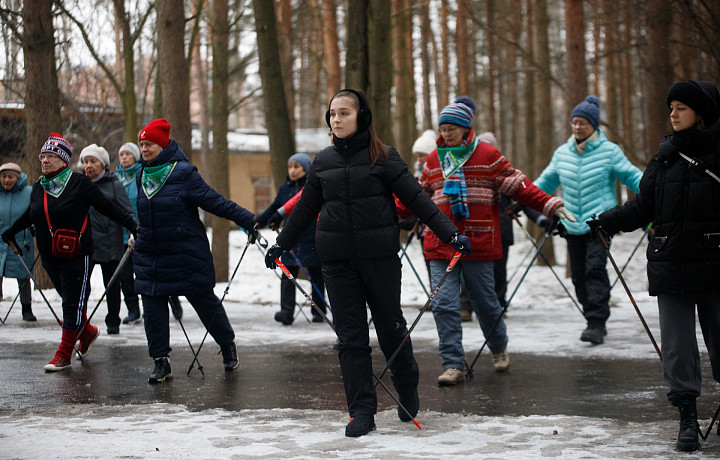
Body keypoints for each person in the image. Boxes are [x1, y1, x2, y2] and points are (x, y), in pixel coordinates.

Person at [264, 89, 469, 437]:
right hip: (337, 262)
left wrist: (450, 235)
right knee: (350, 338)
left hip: (380, 259)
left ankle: (407, 384)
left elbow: (418, 201)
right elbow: (304, 211)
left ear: (362, 117)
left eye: (344, 113)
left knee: (390, 328)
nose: (337, 120)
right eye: (332, 114)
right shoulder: (323, 161)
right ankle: (361, 411)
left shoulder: (384, 157)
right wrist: (280, 244)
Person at [403, 97, 574, 387]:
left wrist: (549, 205)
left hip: (478, 242)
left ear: (466, 127)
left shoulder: (487, 155)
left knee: (485, 303)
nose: (446, 133)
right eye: (442, 128)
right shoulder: (433, 160)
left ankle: (498, 346)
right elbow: (416, 197)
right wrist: (380, 212)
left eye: (452, 128)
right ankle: (453, 364)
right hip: (441, 243)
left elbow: (519, 185)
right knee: (444, 305)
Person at [591, 80, 720, 452]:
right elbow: (643, 206)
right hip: (670, 265)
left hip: (715, 264)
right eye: (671, 107)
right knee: (678, 348)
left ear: (702, 113)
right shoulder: (664, 157)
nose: (673, 113)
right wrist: (607, 220)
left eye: (681, 107)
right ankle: (687, 418)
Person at [133, 118, 259, 383]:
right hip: (151, 253)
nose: (144, 149)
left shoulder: (183, 173)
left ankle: (227, 344)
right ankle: (161, 361)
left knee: (204, 301)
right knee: (152, 307)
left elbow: (215, 202)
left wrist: (247, 219)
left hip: (185, 252)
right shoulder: (141, 174)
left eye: (150, 144)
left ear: (162, 145)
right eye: (141, 144)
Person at [2, 133, 138, 372]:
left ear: (64, 160)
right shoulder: (39, 188)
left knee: (72, 303)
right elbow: (31, 215)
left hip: (77, 254)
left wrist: (134, 225)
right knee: (70, 301)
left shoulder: (80, 183)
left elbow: (108, 207)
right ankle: (87, 332)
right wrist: (10, 232)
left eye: (51, 156)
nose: (45, 160)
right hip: (49, 256)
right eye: (43, 156)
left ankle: (64, 353)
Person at [534, 95, 643, 345]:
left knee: (595, 270)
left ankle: (597, 322)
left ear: (594, 125)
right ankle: (591, 315)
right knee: (579, 276)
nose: (577, 127)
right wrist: (521, 195)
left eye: (582, 123)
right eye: (574, 122)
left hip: (599, 223)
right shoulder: (562, 153)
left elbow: (630, 175)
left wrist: (655, 189)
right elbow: (544, 184)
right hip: (571, 223)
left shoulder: (609, 151)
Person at [116, 142, 184, 324]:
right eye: (121, 155)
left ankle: (171, 300)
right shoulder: (116, 179)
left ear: (135, 157)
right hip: (121, 234)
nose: (124, 158)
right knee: (125, 275)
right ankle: (133, 310)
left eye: (128, 155)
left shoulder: (143, 175)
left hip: (143, 230)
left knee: (151, 272)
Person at [256, 153, 325, 325]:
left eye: (297, 167)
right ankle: (286, 311)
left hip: (310, 237)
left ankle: (319, 310)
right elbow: (274, 208)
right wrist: (257, 222)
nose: (292, 171)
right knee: (287, 275)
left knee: (316, 275)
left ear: (306, 169)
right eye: (290, 167)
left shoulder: (313, 187)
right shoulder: (284, 189)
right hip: (290, 238)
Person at [80, 144, 137, 335]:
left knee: (112, 286)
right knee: (81, 285)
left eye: (93, 161)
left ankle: (113, 321)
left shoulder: (114, 184)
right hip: (85, 244)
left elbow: (128, 213)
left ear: (103, 164)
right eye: (86, 161)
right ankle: (80, 321)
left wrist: (135, 230)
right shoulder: (79, 184)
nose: (88, 165)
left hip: (110, 244)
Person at [0, 162, 35, 321]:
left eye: (10, 176)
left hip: (21, 241)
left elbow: (35, 212)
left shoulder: (29, 192)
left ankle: (26, 309)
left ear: (18, 178)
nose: (6, 180)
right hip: (0, 241)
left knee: (23, 275)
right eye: (3, 176)